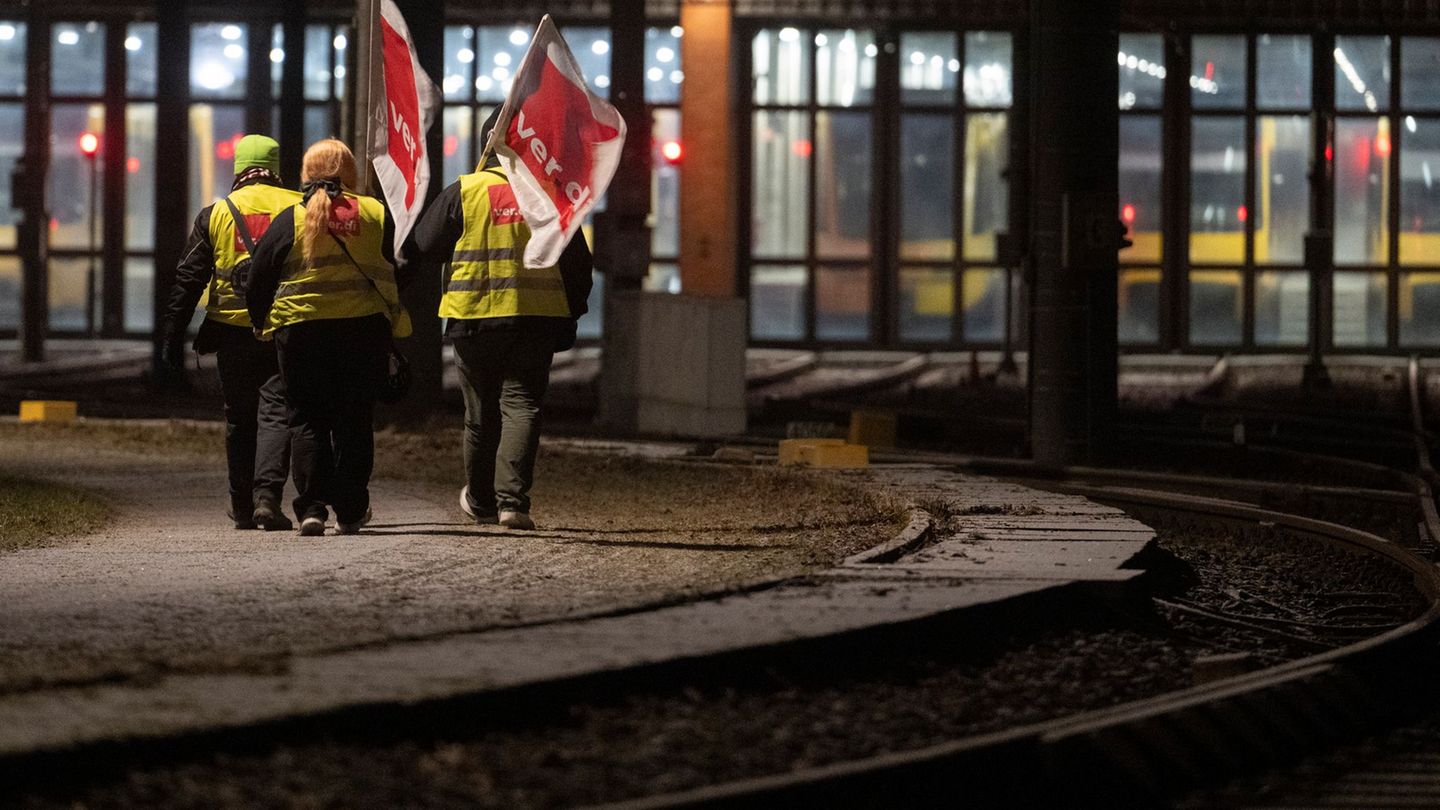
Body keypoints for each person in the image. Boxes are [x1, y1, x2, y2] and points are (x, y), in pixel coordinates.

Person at [406, 108, 593, 531]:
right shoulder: (551, 196)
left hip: (474, 320)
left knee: (480, 415)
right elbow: (579, 264)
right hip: (534, 320)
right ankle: (514, 505)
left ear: (488, 144)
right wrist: (572, 312)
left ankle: (480, 500)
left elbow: (423, 244)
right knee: (523, 407)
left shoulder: (466, 191)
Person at [245, 139, 411, 537]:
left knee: (306, 420)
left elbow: (258, 276)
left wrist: (260, 320)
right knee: (355, 421)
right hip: (362, 331)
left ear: (306, 174)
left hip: (301, 334)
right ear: (350, 173)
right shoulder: (374, 213)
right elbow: (399, 266)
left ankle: (312, 510)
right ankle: (351, 511)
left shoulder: (291, 219)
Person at [159, 134, 298, 531]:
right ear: (276, 167)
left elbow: (188, 279)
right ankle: (267, 498)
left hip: (232, 331)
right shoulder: (298, 207)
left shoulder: (216, 213)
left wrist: (172, 335)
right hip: (281, 327)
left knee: (239, 417)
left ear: (238, 169)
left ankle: (240, 506)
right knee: (277, 412)